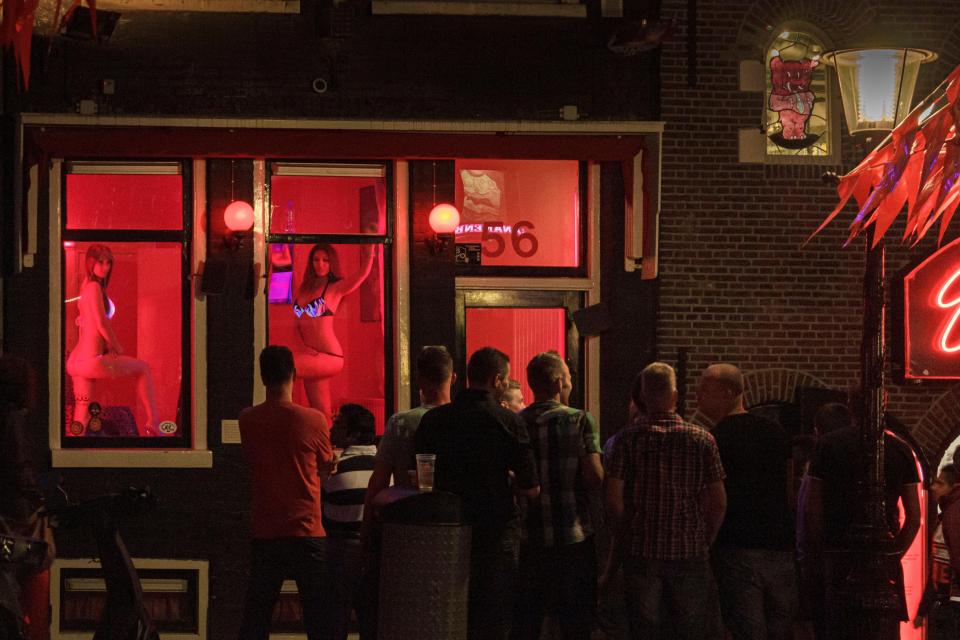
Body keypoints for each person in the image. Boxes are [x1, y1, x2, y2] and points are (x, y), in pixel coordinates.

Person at [415, 346, 540, 640]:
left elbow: (421, 476)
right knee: (493, 617)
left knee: (447, 615)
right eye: (507, 380)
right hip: (495, 530)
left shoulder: (434, 420)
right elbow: (531, 487)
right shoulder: (509, 422)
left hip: (445, 529)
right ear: (497, 380)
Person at [605, 362, 726, 640]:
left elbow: (613, 502)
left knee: (644, 628)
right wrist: (704, 540)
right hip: (688, 550)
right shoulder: (703, 440)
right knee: (690, 628)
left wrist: (626, 537)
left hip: (641, 550)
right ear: (675, 396)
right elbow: (718, 501)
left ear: (643, 397)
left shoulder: (623, 441)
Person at [238, 345, 337, 640]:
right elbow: (327, 462)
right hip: (307, 529)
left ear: (263, 377)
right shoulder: (314, 420)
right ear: (294, 375)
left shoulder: (247, 420)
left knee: (257, 616)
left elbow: (253, 458)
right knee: (319, 617)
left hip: (266, 530)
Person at [696, 363, 797, 640]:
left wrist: (707, 541)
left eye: (705, 389)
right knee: (781, 626)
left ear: (728, 392)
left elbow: (713, 498)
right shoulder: (776, 433)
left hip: (736, 544)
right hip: (779, 546)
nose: (697, 397)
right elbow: (789, 491)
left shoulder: (714, 439)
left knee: (747, 629)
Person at [804, 406, 921, 640]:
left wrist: (818, 552)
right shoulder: (899, 449)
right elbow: (914, 517)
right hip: (881, 556)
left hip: (838, 551)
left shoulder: (829, 445)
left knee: (839, 626)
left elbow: (813, 508)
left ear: (852, 406)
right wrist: (892, 554)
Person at [511, 352, 603, 640]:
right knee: (575, 623)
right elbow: (595, 477)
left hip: (530, 536)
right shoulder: (580, 420)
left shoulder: (516, 422)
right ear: (559, 381)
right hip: (572, 536)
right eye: (569, 377)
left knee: (528, 623)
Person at [66, 243, 161, 436]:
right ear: (91, 263)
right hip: (90, 359)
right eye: (101, 262)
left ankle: (76, 450)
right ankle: (154, 423)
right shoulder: (93, 287)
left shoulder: (86, 286)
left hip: (77, 361)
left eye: (108, 262)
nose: (105, 267)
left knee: (82, 412)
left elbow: (89, 320)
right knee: (142, 368)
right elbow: (101, 322)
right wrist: (115, 345)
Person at [293, 242, 376, 420]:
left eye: (325, 260)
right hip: (312, 357)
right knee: (320, 412)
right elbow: (297, 325)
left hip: (330, 356)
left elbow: (361, 275)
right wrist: (303, 347)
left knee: (284, 368)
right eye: (316, 260)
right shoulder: (304, 289)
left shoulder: (335, 288)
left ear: (332, 264)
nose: (320, 264)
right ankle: (326, 445)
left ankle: (279, 419)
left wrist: (369, 251)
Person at [322, 403, 378, 640]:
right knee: (372, 617)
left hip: (340, 547)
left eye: (338, 424)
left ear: (353, 434)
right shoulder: (386, 468)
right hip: (376, 549)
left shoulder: (334, 470)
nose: (332, 428)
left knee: (336, 616)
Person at [916, 462, 960, 639]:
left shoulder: (953, 514)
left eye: (940, 483)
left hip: (952, 604)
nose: (934, 487)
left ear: (954, 486)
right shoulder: (949, 512)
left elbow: (952, 559)